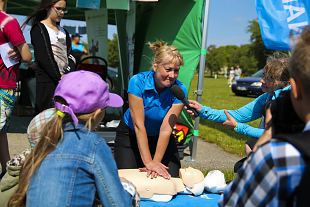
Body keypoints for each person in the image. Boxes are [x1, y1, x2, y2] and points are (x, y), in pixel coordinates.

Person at [8, 70, 138, 207]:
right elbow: (117, 204)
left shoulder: (47, 139)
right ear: (98, 112)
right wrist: (129, 190)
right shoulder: (93, 144)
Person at [219, 26, 310, 207]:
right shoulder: (264, 98)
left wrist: (270, 133)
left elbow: (232, 202)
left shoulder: (280, 156)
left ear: (295, 88)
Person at [114, 41, 187, 179]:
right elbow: (138, 125)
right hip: (131, 135)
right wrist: (148, 162)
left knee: (170, 179)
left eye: (176, 70)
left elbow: (166, 129)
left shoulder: (180, 90)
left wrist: (156, 162)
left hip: (161, 137)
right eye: (168, 69)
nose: (172, 75)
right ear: (155, 66)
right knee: (128, 180)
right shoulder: (137, 82)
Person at [187, 55, 290, 151]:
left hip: (288, 151)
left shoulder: (288, 102)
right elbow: (236, 115)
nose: (262, 80)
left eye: (270, 78)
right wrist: (202, 110)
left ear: (286, 83)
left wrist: (238, 126)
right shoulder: (266, 97)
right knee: (251, 145)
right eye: (264, 75)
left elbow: (273, 134)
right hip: (273, 148)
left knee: (251, 146)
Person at [23, 0, 76, 114]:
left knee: (63, 118)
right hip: (47, 82)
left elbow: (71, 55)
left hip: (65, 82)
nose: (62, 12)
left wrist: (67, 74)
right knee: (46, 120)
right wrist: (59, 76)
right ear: (48, 7)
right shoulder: (39, 28)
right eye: (59, 8)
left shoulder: (64, 32)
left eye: (64, 9)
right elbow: (44, 57)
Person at [0, 1, 32, 179]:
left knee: (1, 131)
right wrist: (21, 53)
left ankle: (6, 172)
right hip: (3, 85)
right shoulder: (8, 22)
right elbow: (27, 56)